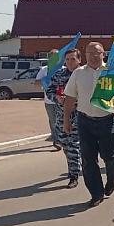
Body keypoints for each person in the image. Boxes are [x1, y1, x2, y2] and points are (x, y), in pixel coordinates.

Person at [62, 42, 114, 208]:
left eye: (97, 53)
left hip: (107, 120)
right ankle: (96, 193)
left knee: (110, 157)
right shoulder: (78, 73)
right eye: (90, 53)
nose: (94, 56)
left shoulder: (112, 72)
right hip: (85, 121)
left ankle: (112, 179)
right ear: (85, 55)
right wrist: (66, 119)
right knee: (88, 159)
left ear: (103, 54)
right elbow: (70, 97)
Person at [45, 49, 82, 188]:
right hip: (62, 116)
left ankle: (73, 175)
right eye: (67, 59)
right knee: (66, 145)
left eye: (73, 59)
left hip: (79, 116)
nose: (70, 62)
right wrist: (57, 98)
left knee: (73, 145)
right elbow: (49, 91)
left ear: (79, 60)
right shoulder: (59, 75)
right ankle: (75, 166)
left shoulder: (84, 74)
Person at [35, 49, 61, 150]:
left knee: (62, 120)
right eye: (52, 57)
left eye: (56, 57)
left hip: (61, 99)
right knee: (53, 120)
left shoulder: (63, 69)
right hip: (49, 100)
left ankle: (63, 138)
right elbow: (36, 83)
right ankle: (56, 140)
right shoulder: (44, 70)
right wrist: (44, 80)